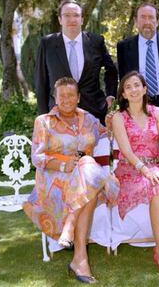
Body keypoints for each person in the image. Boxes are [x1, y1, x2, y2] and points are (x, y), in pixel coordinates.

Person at [23, 77, 119, 284]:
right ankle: (78, 256)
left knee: (86, 165)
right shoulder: (44, 122)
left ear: (78, 97)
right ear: (55, 98)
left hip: (85, 179)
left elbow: (105, 136)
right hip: (55, 181)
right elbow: (37, 157)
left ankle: (77, 249)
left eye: (71, 95)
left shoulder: (90, 119)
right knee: (88, 171)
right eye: (62, 95)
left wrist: (110, 125)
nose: (66, 99)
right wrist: (64, 164)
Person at [112, 71, 159, 275]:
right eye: (128, 87)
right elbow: (125, 150)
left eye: (137, 85)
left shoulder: (156, 112)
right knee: (158, 189)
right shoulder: (119, 117)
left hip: (157, 165)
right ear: (123, 94)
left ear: (144, 89)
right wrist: (145, 170)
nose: (133, 90)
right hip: (131, 168)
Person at [117, 2, 159, 176]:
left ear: (157, 20)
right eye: (143, 17)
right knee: (141, 151)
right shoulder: (124, 46)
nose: (147, 22)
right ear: (136, 21)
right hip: (137, 105)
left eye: (151, 18)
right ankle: (143, 193)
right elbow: (124, 79)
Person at [35, 0, 118, 125]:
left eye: (76, 15)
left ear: (82, 19)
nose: (72, 19)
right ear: (60, 19)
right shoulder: (47, 44)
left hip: (94, 112)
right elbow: (41, 81)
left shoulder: (96, 41)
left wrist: (110, 95)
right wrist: (43, 116)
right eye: (67, 15)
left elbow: (111, 70)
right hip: (58, 115)